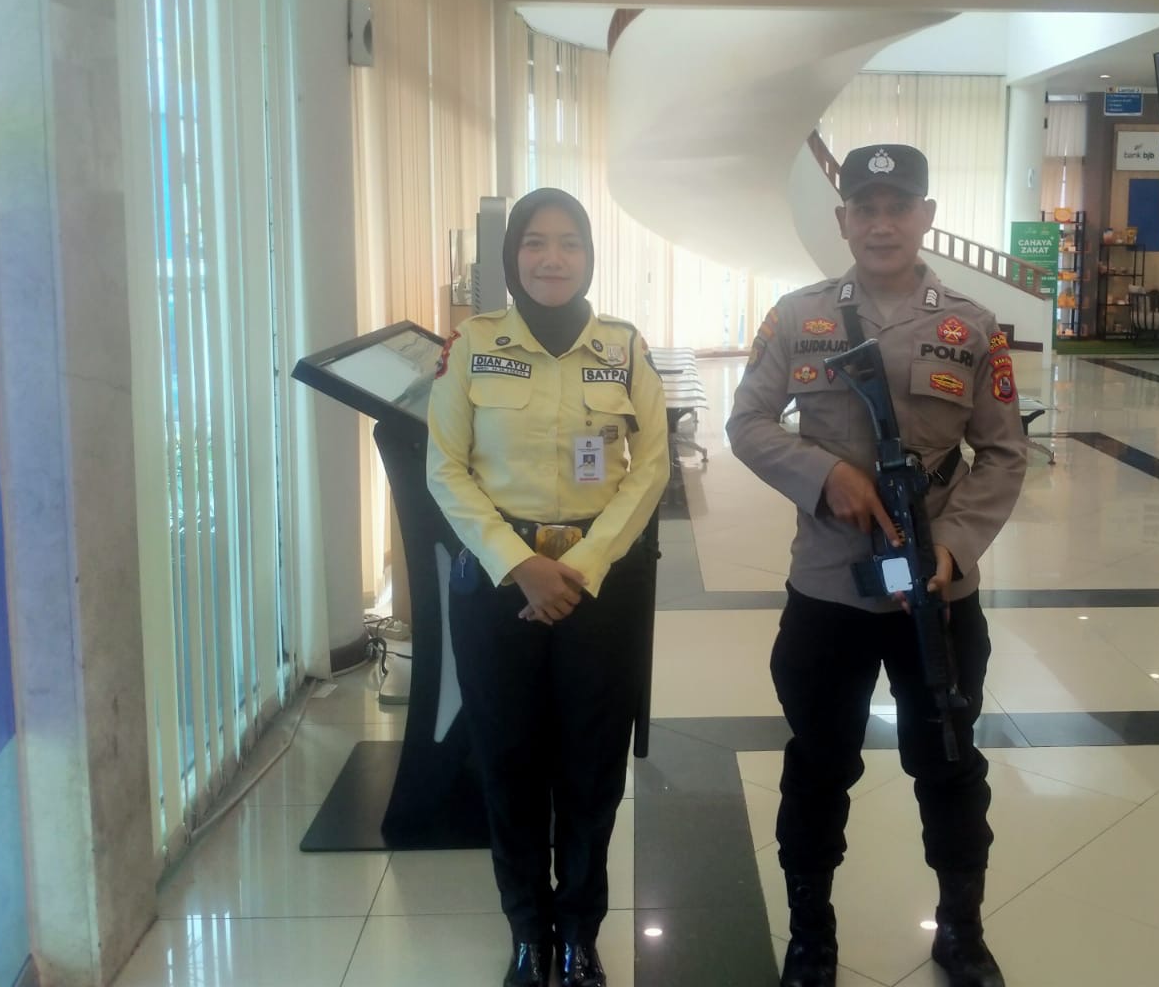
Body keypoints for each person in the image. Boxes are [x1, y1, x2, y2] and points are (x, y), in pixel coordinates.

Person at [726, 145, 1027, 987]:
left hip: (937, 592)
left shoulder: (973, 327)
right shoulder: (798, 316)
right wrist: (826, 475)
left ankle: (960, 929)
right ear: (843, 220)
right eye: (866, 207)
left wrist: (953, 545)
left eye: (899, 207)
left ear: (926, 216)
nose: (883, 223)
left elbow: (1005, 453)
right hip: (829, 587)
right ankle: (811, 934)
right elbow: (748, 423)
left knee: (950, 762)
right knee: (818, 764)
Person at [426, 188, 670, 987]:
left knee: (593, 767)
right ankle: (529, 933)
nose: (552, 258)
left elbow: (651, 469)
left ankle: (579, 934)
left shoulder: (623, 348)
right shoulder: (473, 345)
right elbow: (445, 469)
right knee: (508, 761)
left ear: (590, 256)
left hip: (601, 587)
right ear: (513, 257)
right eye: (535, 242)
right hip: (499, 586)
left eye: (569, 243)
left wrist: (584, 566)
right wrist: (518, 562)